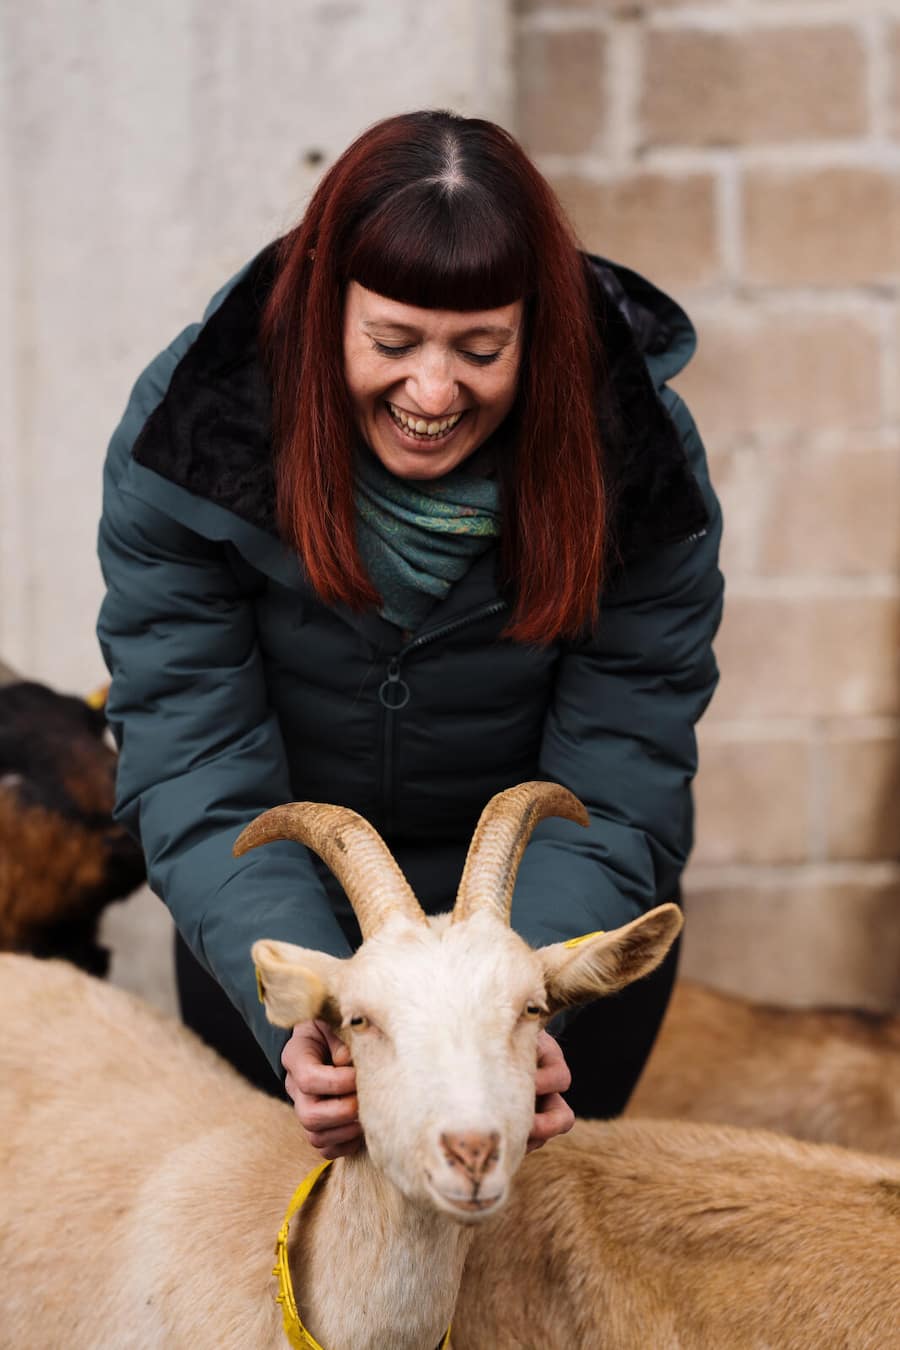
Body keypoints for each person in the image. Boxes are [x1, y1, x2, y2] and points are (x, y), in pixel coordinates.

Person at [97, 109, 722, 1160]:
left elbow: (621, 774)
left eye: (482, 350)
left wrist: (516, 1010)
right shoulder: (189, 437)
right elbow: (195, 760)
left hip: (539, 949)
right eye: (391, 342)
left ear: (541, 333)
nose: (433, 393)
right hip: (291, 935)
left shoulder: (637, 460)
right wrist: (305, 1016)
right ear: (321, 314)